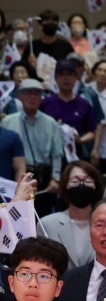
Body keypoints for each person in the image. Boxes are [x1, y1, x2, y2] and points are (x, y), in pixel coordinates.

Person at [1, 79, 62, 212]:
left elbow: (57, 154)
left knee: (42, 216)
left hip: (43, 178)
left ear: (41, 97)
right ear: (19, 96)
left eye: (36, 93)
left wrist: (55, 178)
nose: (32, 97)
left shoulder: (51, 123)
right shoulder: (7, 122)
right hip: (16, 177)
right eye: (28, 93)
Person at [39, 162, 103, 268]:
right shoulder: (46, 224)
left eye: (87, 181)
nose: (81, 185)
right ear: (65, 186)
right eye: (75, 181)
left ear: (96, 186)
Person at [40, 59, 99, 160]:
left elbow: (92, 132)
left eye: (70, 74)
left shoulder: (84, 104)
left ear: (76, 77)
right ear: (56, 78)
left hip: (76, 154)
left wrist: (80, 140)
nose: (66, 78)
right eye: (62, 75)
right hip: (49, 154)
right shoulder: (46, 102)